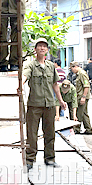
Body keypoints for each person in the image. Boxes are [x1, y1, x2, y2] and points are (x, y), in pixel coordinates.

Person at [18, 38, 67, 170]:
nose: (42, 48)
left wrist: (61, 101)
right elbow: (25, 75)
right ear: (35, 49)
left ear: (47, 50)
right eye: (39, 46)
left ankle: (50, 159)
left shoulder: (51, 66)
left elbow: (55, 85)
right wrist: (21, 85)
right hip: (34, 105)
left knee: (50, 133)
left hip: (50, 105)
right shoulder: (31, 65)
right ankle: (30, 160)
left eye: (44, 46)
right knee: (32, 134)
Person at [70, 61, 92, 135]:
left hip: (82, 96)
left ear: (75, 67)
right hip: (79, 96)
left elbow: (86, 86)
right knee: (84, 113)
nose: (72, 70)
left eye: (72, 68)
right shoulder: (78, 74)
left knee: (79, 113)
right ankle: (88, 129)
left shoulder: (82, 74)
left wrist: (83, 97)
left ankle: (77, 129)